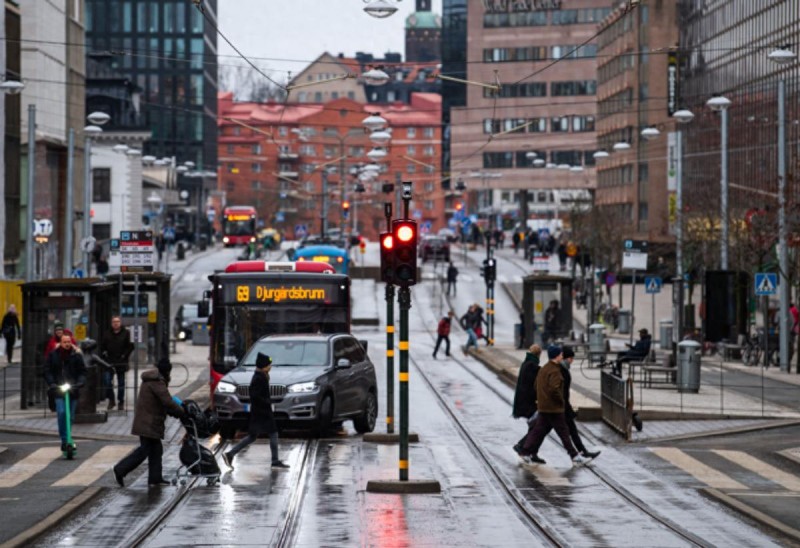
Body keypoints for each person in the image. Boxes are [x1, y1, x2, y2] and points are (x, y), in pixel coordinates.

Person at [112, 359, 186, 487]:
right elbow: (167, 401)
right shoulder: (157, 382)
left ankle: (155, 478)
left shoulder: (153, 379)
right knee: (144, 450)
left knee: (156, 450)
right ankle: (120, 469)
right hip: (149, 422)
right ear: (167, 371)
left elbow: (163, 402)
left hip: (148, 420)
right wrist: (182, 412)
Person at [519, 345, 587, 465]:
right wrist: (560, 401)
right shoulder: (555, 371)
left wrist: (542, 398)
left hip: (544, 407)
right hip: (554, 408)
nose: (562, 356)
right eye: (561, 355)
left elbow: (536, 385)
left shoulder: (544, 368)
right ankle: (574, 455)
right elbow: (554, 389)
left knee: (537, 430)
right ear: (556, 356)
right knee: (563, 432)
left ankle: (524, 452)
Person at [223, 353, 289, 470]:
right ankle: (274, 460)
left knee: (253, 436)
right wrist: (267, 402)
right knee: (273, 433)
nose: (270, 367)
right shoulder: (259, 377)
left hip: (260, 412)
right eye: (269, 365)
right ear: (264, 366)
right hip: (262, 413)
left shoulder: (262, 375)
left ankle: (230, 454)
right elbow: (255, 395)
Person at [44, 335, 86, 452]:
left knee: (71, 417)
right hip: (58, 389)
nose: (67, 344)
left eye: (69, 342)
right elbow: (47, 370)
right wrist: (51, 383)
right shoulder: (54, 355)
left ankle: (67, 438)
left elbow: (82, 371)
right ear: (60, 343)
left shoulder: (76, 356)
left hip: (73, 390)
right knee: (62, 413)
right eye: (64, 342)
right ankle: (65, 440)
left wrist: (80, 382)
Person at [561, 347, 601, 460]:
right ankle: (524, 447)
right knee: (541, 430)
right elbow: (562, 394)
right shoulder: (562, 371)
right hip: (559, 408)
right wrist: (568, 410)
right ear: (567, 358)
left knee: (571, 431)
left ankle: (582, 452)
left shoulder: (563, 370)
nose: (572, 361)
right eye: (571, 358)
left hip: (560, 407)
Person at [100, 316, 134, 411]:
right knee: (107, 381)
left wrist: (124, 356)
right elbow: (102, 346)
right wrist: (105, 354)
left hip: (121, 361)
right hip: (109, 361)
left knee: (121, 383)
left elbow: (131, 346)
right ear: (111, 323)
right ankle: (111, 399)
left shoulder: (126, 333)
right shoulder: (107, 333)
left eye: (117, 321)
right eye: (114, 322)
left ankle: (121, 401)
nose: (116, 323)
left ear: (120, 322)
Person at [512, 344, 541, 456]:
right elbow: (532, 386)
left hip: (524, 401)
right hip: (528, 402)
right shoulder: (532, 366)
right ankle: (522, 446)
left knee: (535, 426)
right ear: (538, 354)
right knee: (537, 427)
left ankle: (530, 451)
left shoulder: (526, 363)